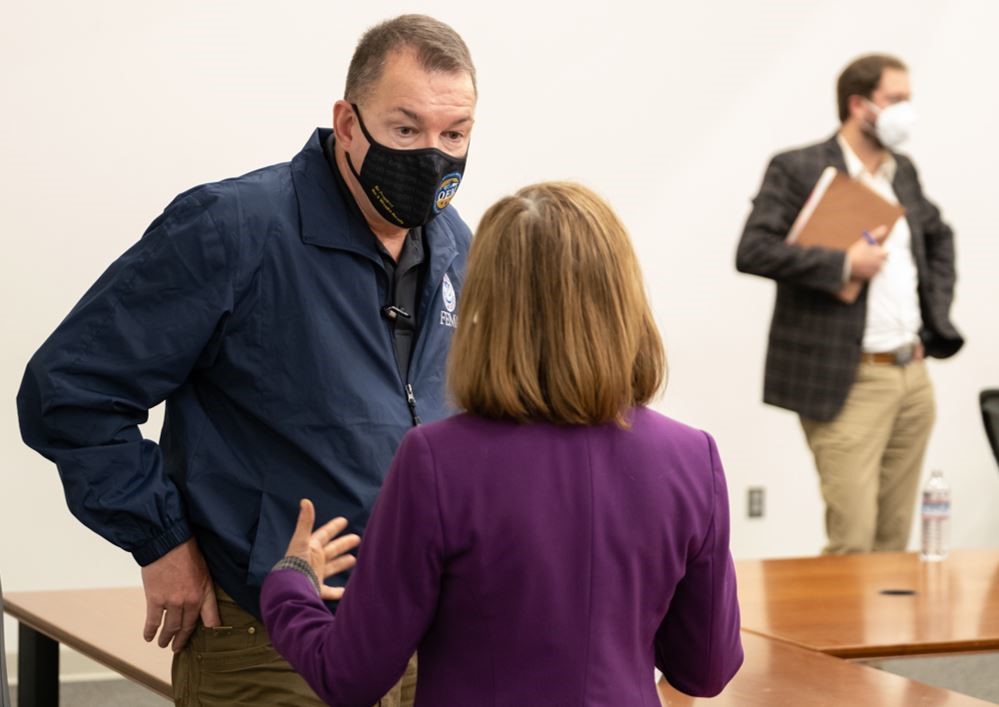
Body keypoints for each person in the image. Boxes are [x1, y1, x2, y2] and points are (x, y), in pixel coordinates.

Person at [16, 14, 476, 706]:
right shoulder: (234, 227)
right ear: (347, 123)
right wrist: (160, 538)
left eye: (455, 134)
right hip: (269, 637)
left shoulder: (452, 245)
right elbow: (68, 391)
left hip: (418, 638)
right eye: (405, 129)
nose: (431, 156)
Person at [259, 182, 744, 706]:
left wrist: (290, 584)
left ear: (487, 304)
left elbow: (350, 676)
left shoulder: (437, 461)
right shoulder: (693, 458)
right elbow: (706, 669)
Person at [736, 54, 963, 555]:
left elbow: (938, 238)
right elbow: (753, 250)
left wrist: (933, 322)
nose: (908, 111)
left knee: (896, 541)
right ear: (859, 105)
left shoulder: (902, 172)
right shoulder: (798, 167)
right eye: (896, 100)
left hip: (911, 378)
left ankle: (890, 635)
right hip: (848, 381)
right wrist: (843, 263)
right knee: (853, 544)